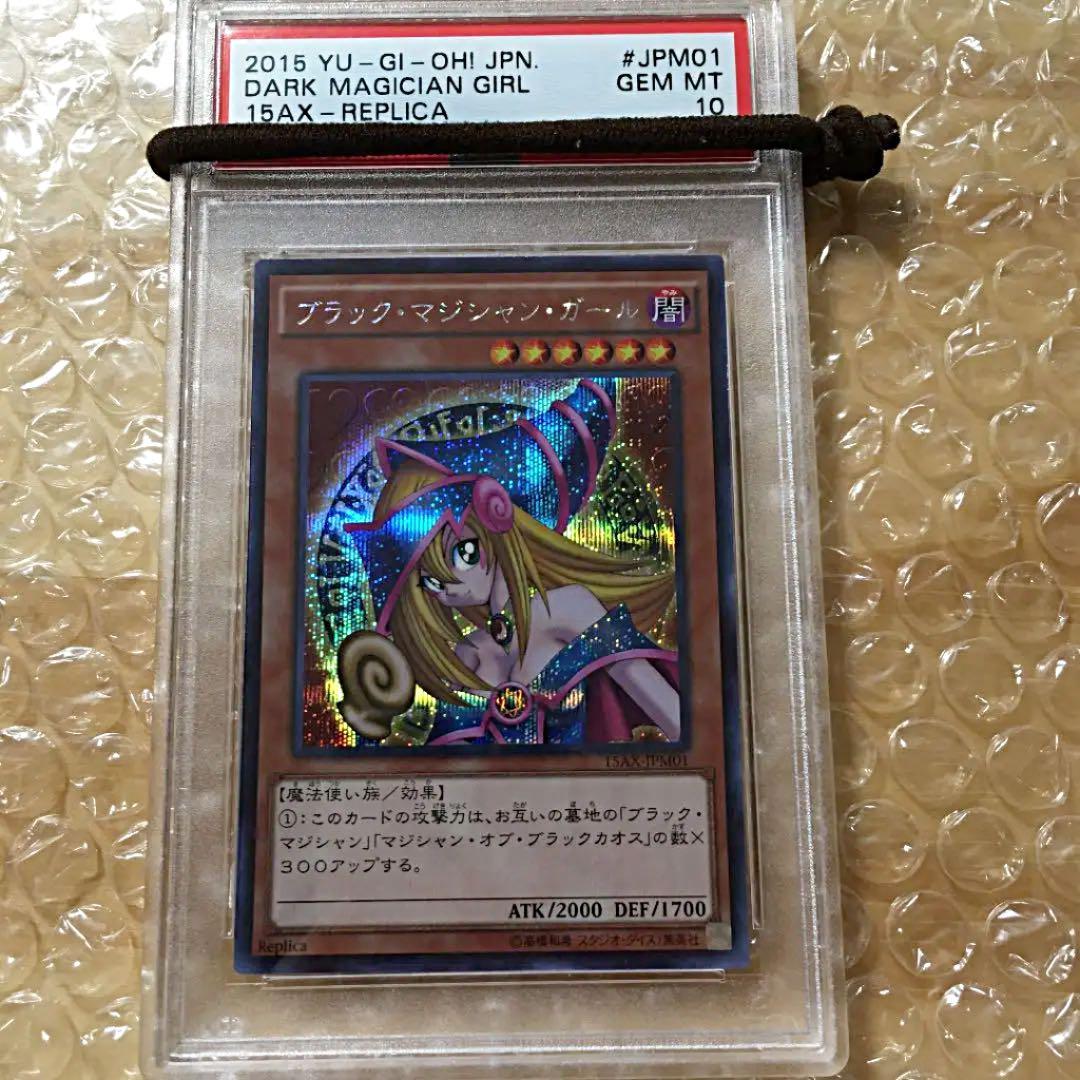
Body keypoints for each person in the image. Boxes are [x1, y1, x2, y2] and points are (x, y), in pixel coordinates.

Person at [339, 377, 679, 747]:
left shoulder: (569, 609)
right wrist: (369, 727)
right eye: (430, 582)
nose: (449, 588)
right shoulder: (466, 656)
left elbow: (674, 716)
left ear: (498, 525)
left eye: (463, 554)